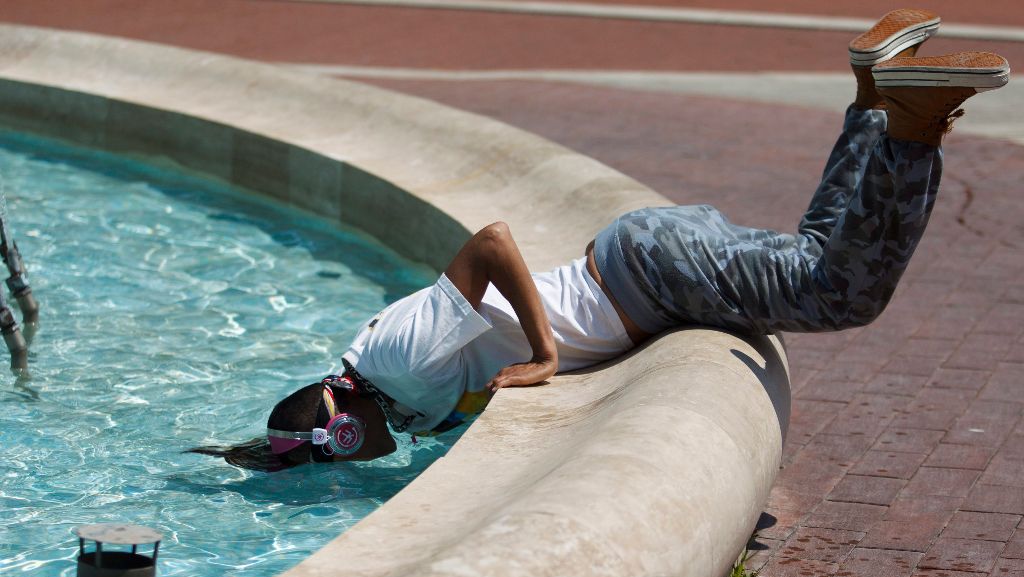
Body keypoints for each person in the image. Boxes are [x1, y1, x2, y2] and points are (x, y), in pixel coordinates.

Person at [198, 9, 1010, 471]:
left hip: (649, 276)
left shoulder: (395, 361)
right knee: (815, 255)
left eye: (337, 451)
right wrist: (230, 458)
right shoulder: (383, 387)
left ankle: (913, 122)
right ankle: (878, 95)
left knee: (841, 292)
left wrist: (548, 354)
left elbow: (490, 241)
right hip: (644, 265)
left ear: (339, 422)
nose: (351, 458)